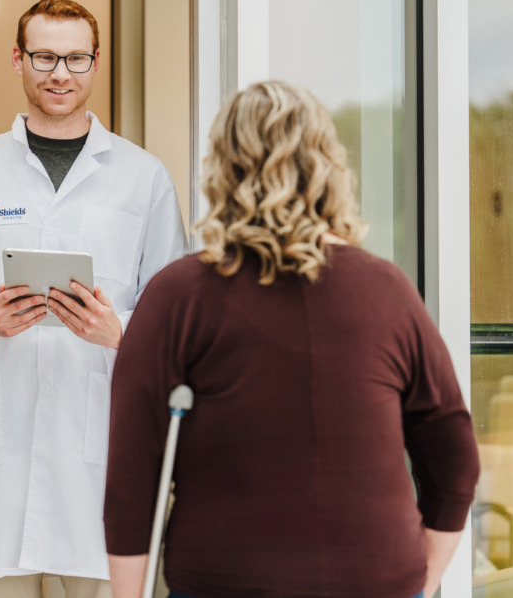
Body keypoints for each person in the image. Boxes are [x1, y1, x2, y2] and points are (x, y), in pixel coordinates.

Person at [104, 81, 481, 598]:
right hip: (377, 580)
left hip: (224, 581)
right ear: (328, 166)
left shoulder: (177, 296)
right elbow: (455, 460)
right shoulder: (387, 290)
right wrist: (421, 578)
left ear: (222, 170)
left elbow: (132, 481)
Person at [0, 0, 187, 597]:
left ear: (96, 63)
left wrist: (119, 330)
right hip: (0, 452)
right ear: (17, 60)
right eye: (45, 56)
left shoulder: (142, 177)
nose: (60, 74)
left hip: (100, 446)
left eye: (76, 58)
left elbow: (175, 312)